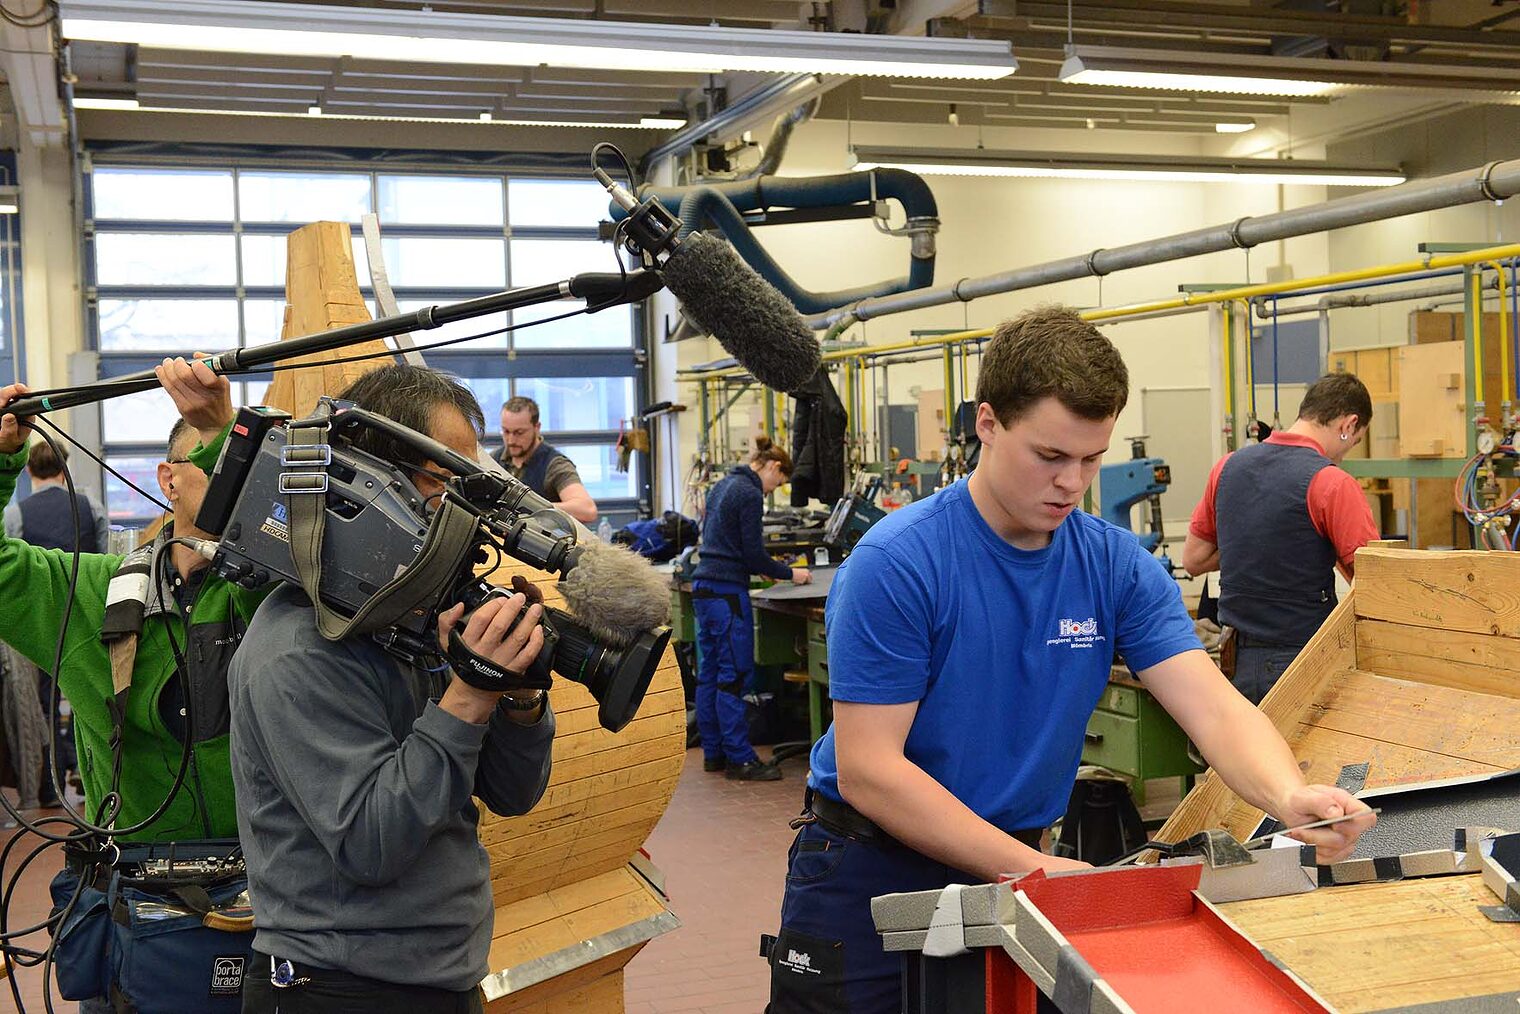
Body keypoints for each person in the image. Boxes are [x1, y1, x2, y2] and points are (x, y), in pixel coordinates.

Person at [767, 307, 1376, 1014]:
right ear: (987, 424)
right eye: (1050, 457)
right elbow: (873, 772)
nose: (1072, 483)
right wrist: (1037, 868)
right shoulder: (899, 564)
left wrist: (1286, 795)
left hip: (1024, 869)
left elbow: (1212, 706)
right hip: (872, 872)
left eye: (1091, 460)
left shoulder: (1112, 565)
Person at [229, 364, 556, 1013]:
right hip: (337, 987)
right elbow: (371, 843)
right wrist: (466, 696)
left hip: (440, 975)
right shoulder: (295, 652)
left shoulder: (403, 624)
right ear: (374, 486)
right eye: (444, 485)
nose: (463, 515)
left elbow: (513, 794)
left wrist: (515, 698)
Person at [0, 356, 266, 1013]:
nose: (237, 489)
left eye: (248, 475)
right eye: (214, 465)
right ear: (167, 481)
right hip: (135, 906)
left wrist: (222, 431)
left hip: (273, 887)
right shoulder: (89, 593)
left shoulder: (278, 600)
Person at [1183, 372, 1379, 704]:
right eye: (1354, 440)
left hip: (1234, 663)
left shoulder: (1227, 467)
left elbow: (1194, 559)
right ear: (1349, 423)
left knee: (1240, 757)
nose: (1346, 453)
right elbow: (1376, 583)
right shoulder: (1331, 482)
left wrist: (1251, 539)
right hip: (1301, 662)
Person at [691, 436, 811, 783]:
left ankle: (713, 753)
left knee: (710, 674)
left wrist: (757, 565)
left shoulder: (723, 485)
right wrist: (791, 574)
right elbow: (753, 554)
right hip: (727, 592)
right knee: (735, 676)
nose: (776, 489)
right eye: (780, 481)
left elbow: (727, 542)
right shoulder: (749, 493)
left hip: (704, 587)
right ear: (773, 467)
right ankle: (741, 759)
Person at [3, 440, 110, 809]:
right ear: (65, 468)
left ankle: (51, 778)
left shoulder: (16, 514)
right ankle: (84, 764)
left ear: (28, 471)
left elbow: (15, 571)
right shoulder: (89, 507)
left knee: (41, 701)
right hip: (87, 614)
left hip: (38, 620)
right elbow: (107, 555)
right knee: (86, 691)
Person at [497, 395, 598, 524]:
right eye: (506, 431)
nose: (511, 440)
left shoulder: (555, 464)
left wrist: (533, 507)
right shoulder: (494, 460)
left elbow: (587, 510)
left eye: (519, 432)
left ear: (537, 427)